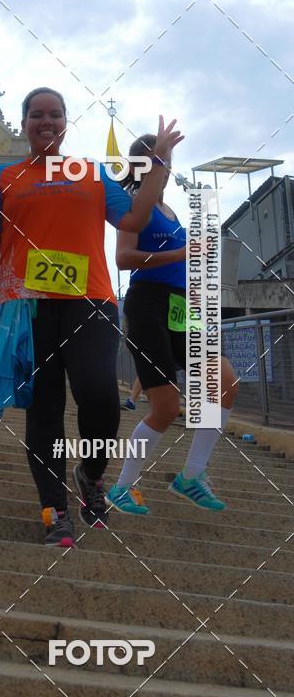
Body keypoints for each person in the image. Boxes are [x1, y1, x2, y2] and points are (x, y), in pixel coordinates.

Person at [0, 88, 184, 547]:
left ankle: (88, 472)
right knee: (44, 408)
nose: (46, 122)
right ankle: (55, 510)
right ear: (24, 123)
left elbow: (133, 219)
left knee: (101, 396)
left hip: (91, 299)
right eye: (37, 115)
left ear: (65, 123)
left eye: (55, 115)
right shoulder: (3, 178)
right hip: (24, 305)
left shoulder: (90, 173)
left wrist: (158, 162)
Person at [106, 134, 238, 515]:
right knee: (166, 408)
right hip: (147, 305)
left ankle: (191, 477)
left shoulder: (171, 210)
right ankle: (121, 487)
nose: (165, 167)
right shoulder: (133, 206)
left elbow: (183, 263)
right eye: (158, 159)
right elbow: (124, 258)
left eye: (168, 158)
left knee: (224, 382)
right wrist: (182, 252)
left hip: (183, 307)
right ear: (141, 167)